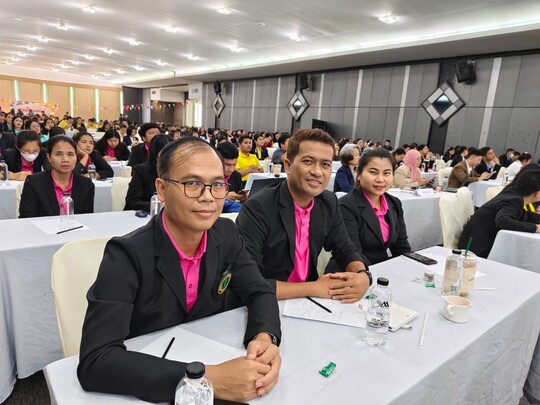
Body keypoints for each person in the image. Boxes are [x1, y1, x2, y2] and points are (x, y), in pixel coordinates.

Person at [77, 137, 281, 403]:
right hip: (150, 379)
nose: (208, 196)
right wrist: (206, 379)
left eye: (217, 184)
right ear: (161, 189)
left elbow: (259, 290)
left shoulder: (226, 233)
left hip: (210, 349)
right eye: (192, 183)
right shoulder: (127, 254)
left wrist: (264, 337)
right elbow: (96, 360)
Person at [236, 129, 371, 302]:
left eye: (325, 164)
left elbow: (345, 248)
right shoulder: (258, 208)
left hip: (309, 302)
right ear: (288, 165)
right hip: (267, 301)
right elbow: (247, 281)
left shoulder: (328, 202)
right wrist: (314, 287)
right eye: (308, 161)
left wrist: (362, 275)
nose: (317, 172)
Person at [327, 149, 411, 267]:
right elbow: (353, 253)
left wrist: (409, 267)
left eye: (386, 173)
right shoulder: (346, 206)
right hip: (352, 270)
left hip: (381, 267)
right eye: (373, 172)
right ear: (359, 174)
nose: (380, 179)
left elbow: (401, 247)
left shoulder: (394, 203)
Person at [458, 169, 540, 258]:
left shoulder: (512, 192)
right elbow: (503, 221)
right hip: (475, 250)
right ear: (538, 193)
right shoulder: (514, 200)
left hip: (474, 241)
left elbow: (521, 214)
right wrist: (536, 228)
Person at [19, 135, 94, 218]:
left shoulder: (86, 184)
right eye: (58, 154)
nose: (65, 159)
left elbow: (87, 218)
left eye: (70, 154)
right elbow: (26, 218)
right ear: (49, 157)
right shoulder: (34, 182)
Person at [124, 135, 171, 212]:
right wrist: (154, 205)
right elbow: (132, 201)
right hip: (149, 214)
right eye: (164, 154)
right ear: (155, 154)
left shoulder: (178, 171)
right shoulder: (141, 170)